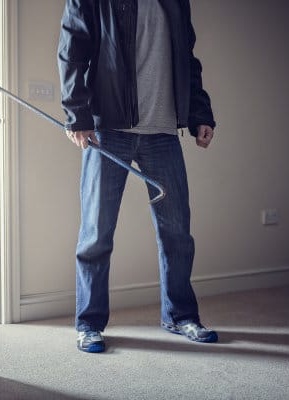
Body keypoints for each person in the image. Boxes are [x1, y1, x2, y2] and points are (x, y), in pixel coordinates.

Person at [58, 0, 218, 353]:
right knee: (96, 233)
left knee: (177, 232)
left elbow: (187, 61)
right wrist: (77, 114)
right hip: (109, 129)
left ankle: (180, 315)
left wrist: (200, 113)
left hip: (163, 131)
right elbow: (72, 48)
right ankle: (88, 323)